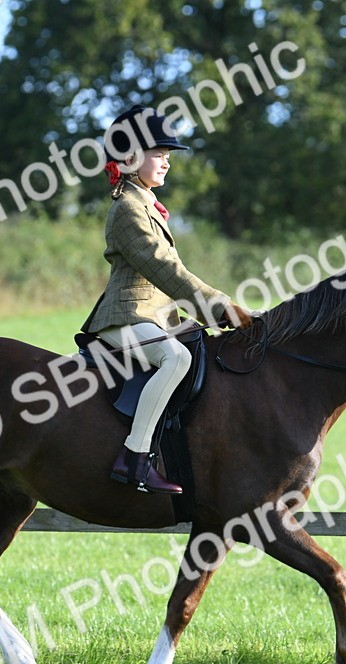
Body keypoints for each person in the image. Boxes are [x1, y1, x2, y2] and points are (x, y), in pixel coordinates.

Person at [82, 104, 255, 495]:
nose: (166, 163)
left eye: (166, 155)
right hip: (124, 318)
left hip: (154, 317)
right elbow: (164, 268)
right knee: (176, 357)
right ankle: (134, 458)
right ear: (130, 158)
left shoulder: (145, 204)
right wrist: (219, 305)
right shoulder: (128, 208)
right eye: (158, 154)